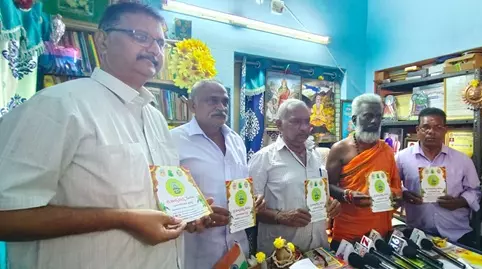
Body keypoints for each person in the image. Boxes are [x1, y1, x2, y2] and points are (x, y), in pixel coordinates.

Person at [0, 3, 211, 268]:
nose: (154, 50)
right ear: (103, 40)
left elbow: (152, 201)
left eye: (160, 42)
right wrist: (123, 218)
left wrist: (187, 212)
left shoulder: (156, 118)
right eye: (141, 37)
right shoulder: (58, 106)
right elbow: (6, 215)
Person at [170, 80, 266, 268]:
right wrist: (196, 212)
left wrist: (253, 199)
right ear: (192, 105)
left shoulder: (236, 140)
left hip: (237, 249)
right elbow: (164, 197)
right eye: (212, 101)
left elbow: (240, 183)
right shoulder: (174, 140)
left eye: (225, 102)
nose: (221, 107)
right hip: (199, 251)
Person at [249, 99, 341, 254]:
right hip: (281, 253)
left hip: (318, 248)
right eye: (296, 122)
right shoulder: (263, 159)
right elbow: (248, 209)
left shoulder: (316, 156)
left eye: (307, 122)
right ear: (279, 125)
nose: (304, 128)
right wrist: (280, 216)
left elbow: (319, 195)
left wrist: (331, 205)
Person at [395, 108, 481, 247]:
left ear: (445, 130)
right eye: (426, 127)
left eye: (437, 127)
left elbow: (475, 191)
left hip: (457, 234)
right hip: (418, 232)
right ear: (418, 130)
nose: (431, 132)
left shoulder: (462, 160)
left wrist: (460, 201)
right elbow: (392, 184)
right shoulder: (401, 158)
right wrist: (404, 193)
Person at [326, 93, 402, 248]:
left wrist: (395, 196)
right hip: (349, 230)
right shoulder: (339, 149)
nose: (374, 121)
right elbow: (328, 186)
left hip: (381, 229)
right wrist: (347, 195)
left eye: (378, 116)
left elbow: (396, 187)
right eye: (368, 116)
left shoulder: (386, 150)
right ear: (354, 120)